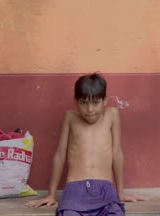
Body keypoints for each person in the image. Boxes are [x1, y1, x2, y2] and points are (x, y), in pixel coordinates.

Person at [26, 72, 147, 215]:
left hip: (105, 189)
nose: (90, 110)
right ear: (76, 101)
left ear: (105, 101)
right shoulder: (70, 117)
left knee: (116, 213)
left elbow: (116, 154)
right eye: (84, 103)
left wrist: (120, 193)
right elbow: (60, 155)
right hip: (75, 189)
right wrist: (51, 194)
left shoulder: (112, 115)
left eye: (95, 103)